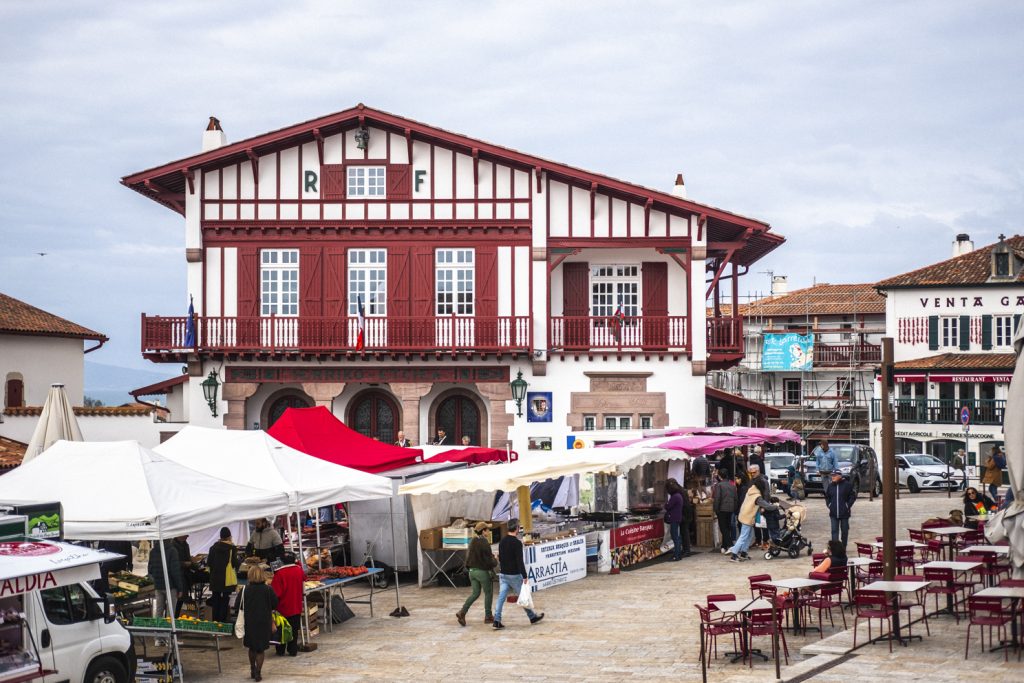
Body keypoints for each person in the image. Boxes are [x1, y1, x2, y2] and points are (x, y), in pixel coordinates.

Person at [492, 519, 543, 629]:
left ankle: (496, 619)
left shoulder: (502, 541)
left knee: (501, 598)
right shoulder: (517, 543)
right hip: (514, 575)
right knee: (524, 597)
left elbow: (501, 558)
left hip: (504, 574)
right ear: (516, 528)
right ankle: (532, 617)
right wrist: (525, 576)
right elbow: (520, 561)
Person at [241, 566, 278, 682]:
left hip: (249, 621)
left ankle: (252, 668)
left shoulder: (245, 589)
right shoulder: (268, 589)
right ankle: (258, 672)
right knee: (260, 649)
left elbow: (238, 605)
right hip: (264, 621)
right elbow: (275, 603)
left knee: (252, 647)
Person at [456, 522, 497, 626]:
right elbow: (488, 561)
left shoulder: (472, 541)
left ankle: (462, 612)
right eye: (487, 529)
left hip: (472, 572)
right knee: (488, 593)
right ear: (483, 531)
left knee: (475, 593)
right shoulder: (484, 542)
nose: (489, 531)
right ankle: (488, 616)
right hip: (482, 572)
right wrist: (495, 560)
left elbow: (470, 557)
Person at [271, 553, 304, 657]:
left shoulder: (279, 574)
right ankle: (292, 650)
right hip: (296, 605)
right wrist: (298, 563)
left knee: (281, 629)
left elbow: (276, 593)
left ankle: (280, 650)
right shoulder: (299, 570)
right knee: (294, 629)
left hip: (283, 607)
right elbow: (305, 577)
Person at [207, 527, 240, 623]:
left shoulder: (213, 548)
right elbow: (234, 563)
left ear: (220, 537)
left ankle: (215, 623)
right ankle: (222, 624)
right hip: (227, 579)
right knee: (225, 601)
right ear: (229, 536)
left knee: (215, 600)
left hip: (215, 578)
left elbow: (209, 563)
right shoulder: (232, 548)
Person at [727, 475, 762, 562]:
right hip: (748, 516)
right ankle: (734, 555)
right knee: (744, 536)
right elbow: (763, 503)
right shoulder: (756, 495)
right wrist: (773, 507)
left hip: (745, 515)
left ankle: (743, 552)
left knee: (749, 535)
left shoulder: (750, 491)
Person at [148, 539, 185, 618]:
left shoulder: (153, 551)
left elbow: (150, 570)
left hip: (158, 586)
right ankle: (169, 629)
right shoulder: (172, 551)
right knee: (170, 613)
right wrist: (180, 588)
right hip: (170, 586)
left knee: (159, 611)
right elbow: (175, 571)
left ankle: (158, 629)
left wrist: (156, 579)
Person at [825, 470, 856, 548]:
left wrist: (847, 505)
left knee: (844, 531)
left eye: (834, 475)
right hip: (833, 513)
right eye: (832, 475)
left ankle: (843, 547)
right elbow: (827, 497)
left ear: (840, 476)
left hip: (844, 513)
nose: (832, 477)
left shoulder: (847, 485)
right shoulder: (830, 486)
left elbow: (852, 496)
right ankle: (835, 549)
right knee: (834, 531)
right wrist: (829, 505)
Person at [712, 471, 737, 554]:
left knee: (723, 528)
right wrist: (735, 508)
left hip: (722, 509)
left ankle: (730, 545)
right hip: (730, 509)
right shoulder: (732, 485)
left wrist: (716, 509)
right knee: (727, 527)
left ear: (720, 476)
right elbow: (735, 498)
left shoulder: (719, 485)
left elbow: (717, 498)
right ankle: (724, 546)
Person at [663, 479, 688, 561]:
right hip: (678, 518)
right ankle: (678, 554)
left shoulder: (675, 497)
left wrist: (665, 504)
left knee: (675, 537)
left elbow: (668, 506)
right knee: (677, 537)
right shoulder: (679, 495)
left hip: (674, 518)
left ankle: (676, 556)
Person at [172, 535, 194, 616]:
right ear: (179, 535)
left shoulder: (185, 544)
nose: (187, 536)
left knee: (181, 598)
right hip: (177, 575)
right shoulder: (173, 545)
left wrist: (192, 561)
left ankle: (176, 616)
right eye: (185, 535)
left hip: (185, 575)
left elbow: (188, 558)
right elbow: (173, 562)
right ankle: (173, 617)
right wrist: (184, 563)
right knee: (177, 598)